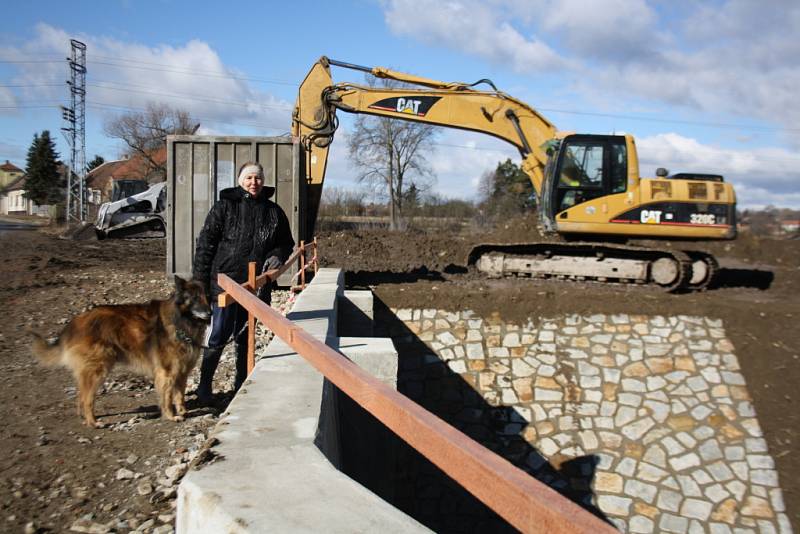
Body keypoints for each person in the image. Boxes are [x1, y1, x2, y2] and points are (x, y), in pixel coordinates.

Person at [192, 161, 294, 403]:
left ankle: (241, 384)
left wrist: (276, 256)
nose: (253, 183)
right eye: (248, 178)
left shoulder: (273, 212)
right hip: (224, 283)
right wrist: (200, 286)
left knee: (246, 335)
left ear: (263, 181)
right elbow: (205, 246)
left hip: (255, 286)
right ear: (240, 180)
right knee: (218, 333)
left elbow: (285, 243)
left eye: (257, 178)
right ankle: (204, 387)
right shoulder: (224, 207)